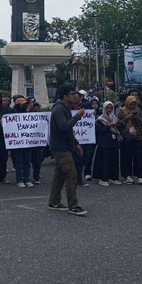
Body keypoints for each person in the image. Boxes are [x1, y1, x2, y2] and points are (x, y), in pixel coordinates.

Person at [47, 85, 87, 216]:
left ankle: (54, 202)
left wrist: (76, 143)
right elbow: (64, 127)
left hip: (65, 145)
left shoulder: (65, 109)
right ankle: (73, 205)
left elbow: (68, 131)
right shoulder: (59, 109)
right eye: (72, 94)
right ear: (65, 96)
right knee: (71, 174)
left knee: (59, 175)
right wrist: (77, 117)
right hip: (60, 147)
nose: (75, 96)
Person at [116, 95, 142, 185]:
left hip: (137, 136)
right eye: (131, 104)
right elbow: (118, 124)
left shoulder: (138, 111)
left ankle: (139, 175)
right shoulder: (121, 111)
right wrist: (127, 118)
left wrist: (137, 118)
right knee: (126, 157)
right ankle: (127, 175)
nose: (133, 106)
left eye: (134, 103)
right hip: (126, 136)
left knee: (137, 157)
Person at [95, 101, 122, 186]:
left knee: (114, 160)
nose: (109, 110)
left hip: (114, 142)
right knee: (105, 161)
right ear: (104, 108)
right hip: (104, 143)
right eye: (107, 108)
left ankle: (113, 177)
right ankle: (103, 178)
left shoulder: (115, 118)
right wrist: (109, 125)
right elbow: (101, 131)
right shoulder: (100, 119)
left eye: (111, 108)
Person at [11, 96, 34, 187]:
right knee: (19, 161)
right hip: (18, 141)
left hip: (27, 141)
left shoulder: (30, 113)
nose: (24, 105)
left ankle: (27, 179)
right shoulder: (13, 114)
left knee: (27, 161)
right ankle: (19, 180)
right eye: (22, 104)